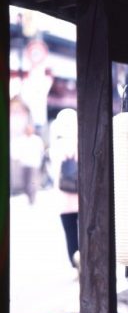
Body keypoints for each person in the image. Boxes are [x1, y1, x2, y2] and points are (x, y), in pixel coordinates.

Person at [49, 108, 80, 273]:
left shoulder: (56, 145)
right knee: (84, 233)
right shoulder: (81, 141)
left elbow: (54, 171)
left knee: (70, 234)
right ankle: (85, 260)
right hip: (82, 198)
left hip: (63, 199)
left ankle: (76, 264)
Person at [11, 123, 45, 204]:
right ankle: (29, 196)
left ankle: (32, 198)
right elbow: (16, 151)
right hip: (24, 164)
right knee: (25, 182)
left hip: (34, 164)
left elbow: (41, 151)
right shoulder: (21, 140)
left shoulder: (37, 140)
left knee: (32, 182)